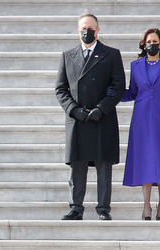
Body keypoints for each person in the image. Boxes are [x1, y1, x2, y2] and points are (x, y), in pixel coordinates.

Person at [55, 13, 125, 221]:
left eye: (91, 28)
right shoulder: (68, 56)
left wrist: (101, 108)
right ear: (78, 31)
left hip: (102, 119)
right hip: (78, 120)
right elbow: (60, 89)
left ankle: (103, 208)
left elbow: (118, 85)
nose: (87, 32)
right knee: (78, 165)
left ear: (98, 30)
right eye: (83, 28)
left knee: (103, 166)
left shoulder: (111, 54)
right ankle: (76, 207)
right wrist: (74, 109)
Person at [120, 27, 160, 220]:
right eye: (149, 41)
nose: (152, 44)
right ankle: (146, 205)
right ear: (143, 44)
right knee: (145, 162)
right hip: (141, 120)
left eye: (155, 42)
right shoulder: (136, 65)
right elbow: (132, 91)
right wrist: (112, 92)